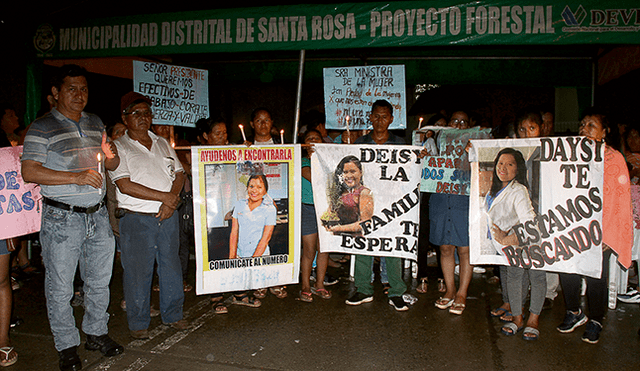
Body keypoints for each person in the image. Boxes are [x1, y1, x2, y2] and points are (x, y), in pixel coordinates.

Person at [21, 64, 123, 371]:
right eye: (72, 89)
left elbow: (111, 164)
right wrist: (75, 178)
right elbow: (29, 171)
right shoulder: (41, 127)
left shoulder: (95, 122)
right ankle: (66, 346)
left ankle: (96, 332)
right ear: (55, 93)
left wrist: (112, 153)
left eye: (84, 89)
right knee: (61, 286)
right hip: (62, 219)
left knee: (99, 281)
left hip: (98, 216)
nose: (80, 95)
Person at [109, 92, 187, 340]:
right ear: (125, 117)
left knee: (171, 266)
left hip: (167, 215)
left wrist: (171, 201)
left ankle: (173, 315)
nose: (143, 118)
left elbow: (179, 174)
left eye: (147, 113)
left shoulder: (162, 142)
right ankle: (138, 321)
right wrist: (164, 198)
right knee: (137, 271)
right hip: (136, 218)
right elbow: (124, 185)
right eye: (136, 113)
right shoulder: (118, 147)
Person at [557, 108, 633, 344]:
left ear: (604, 132)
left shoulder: (614, 159)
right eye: (582, 124)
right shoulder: (568, 155)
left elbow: (621, 200)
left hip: (601, 231)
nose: (584, 129)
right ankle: (574, 312)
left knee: (595, 277)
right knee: (567, 271)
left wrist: (607, 237)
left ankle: (596, 319)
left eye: (591, 125)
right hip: (572, 226)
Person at [343, 99, 409, 311]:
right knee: (363, 243)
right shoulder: (360, 143)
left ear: (391, 119)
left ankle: (397, 291)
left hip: (392, 203)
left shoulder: (402, 145)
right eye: (376, 116)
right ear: (370, 118)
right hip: (365, 203)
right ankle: (363, 289)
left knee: (393, 245)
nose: (380, 121)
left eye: (385, 117)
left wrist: (420, 156)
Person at [484, 148, 545, 340]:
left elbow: (528, 222)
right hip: (510, 244)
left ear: (518, 169)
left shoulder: (518, 189)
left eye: (510, 164)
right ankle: (518, 318)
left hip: (530, 242)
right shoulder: (495, 188)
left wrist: (508, 238)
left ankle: (533, 320)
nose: (503, 167)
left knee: (536, 277)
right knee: (514, 276)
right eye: (500, 163)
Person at [430, 110, 473, 315]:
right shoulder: (434, 144)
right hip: (440, 199)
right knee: (445, 247)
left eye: (463, 122)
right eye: (454, 121)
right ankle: (450, 289)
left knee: (464, 249)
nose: (458, 125)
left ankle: (462, 293)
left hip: (463, 201)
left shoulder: (473, 145)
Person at [229, 174, 280, 305]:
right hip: (240, 254)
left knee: (258, 284)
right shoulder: (240, 205)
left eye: (259, 187)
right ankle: (240, 296)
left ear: (265, 190)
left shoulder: (269, 209)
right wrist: (232, 257)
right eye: (251, 186)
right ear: (247, 188)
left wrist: (252, 261)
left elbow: (265, 238)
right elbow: (234, 232)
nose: (254, 190)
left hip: (259, 256)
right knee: (239, 283)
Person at [298, 130, 331, 302]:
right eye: (308, 139)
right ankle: (305, 285)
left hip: (326, 208)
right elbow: (312, 176)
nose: (312, 141)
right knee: (309, 250)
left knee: (323, 248)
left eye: (316, 139)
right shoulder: (302, 161)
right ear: (303, 144)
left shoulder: (328, 161)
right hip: (308, 208)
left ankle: (319, 284)